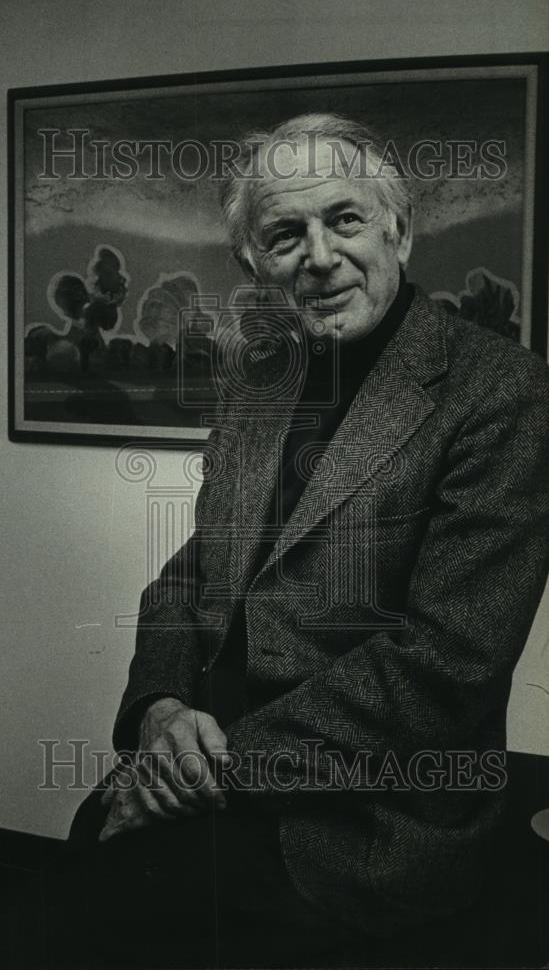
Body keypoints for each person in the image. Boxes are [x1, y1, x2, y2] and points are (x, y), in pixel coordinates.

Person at [40, 114, 549, 969]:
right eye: (285, 234)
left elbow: (448, 662)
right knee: (91, 860)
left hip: (372, 814)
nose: (317, 255)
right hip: (206, 747)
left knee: (115, 893)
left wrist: (207, 770)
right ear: (255, 265)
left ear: (400, 230)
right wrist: (157, 711)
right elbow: (191, 572)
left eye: (343, 219)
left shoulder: (503, 391)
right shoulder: (258, 376)